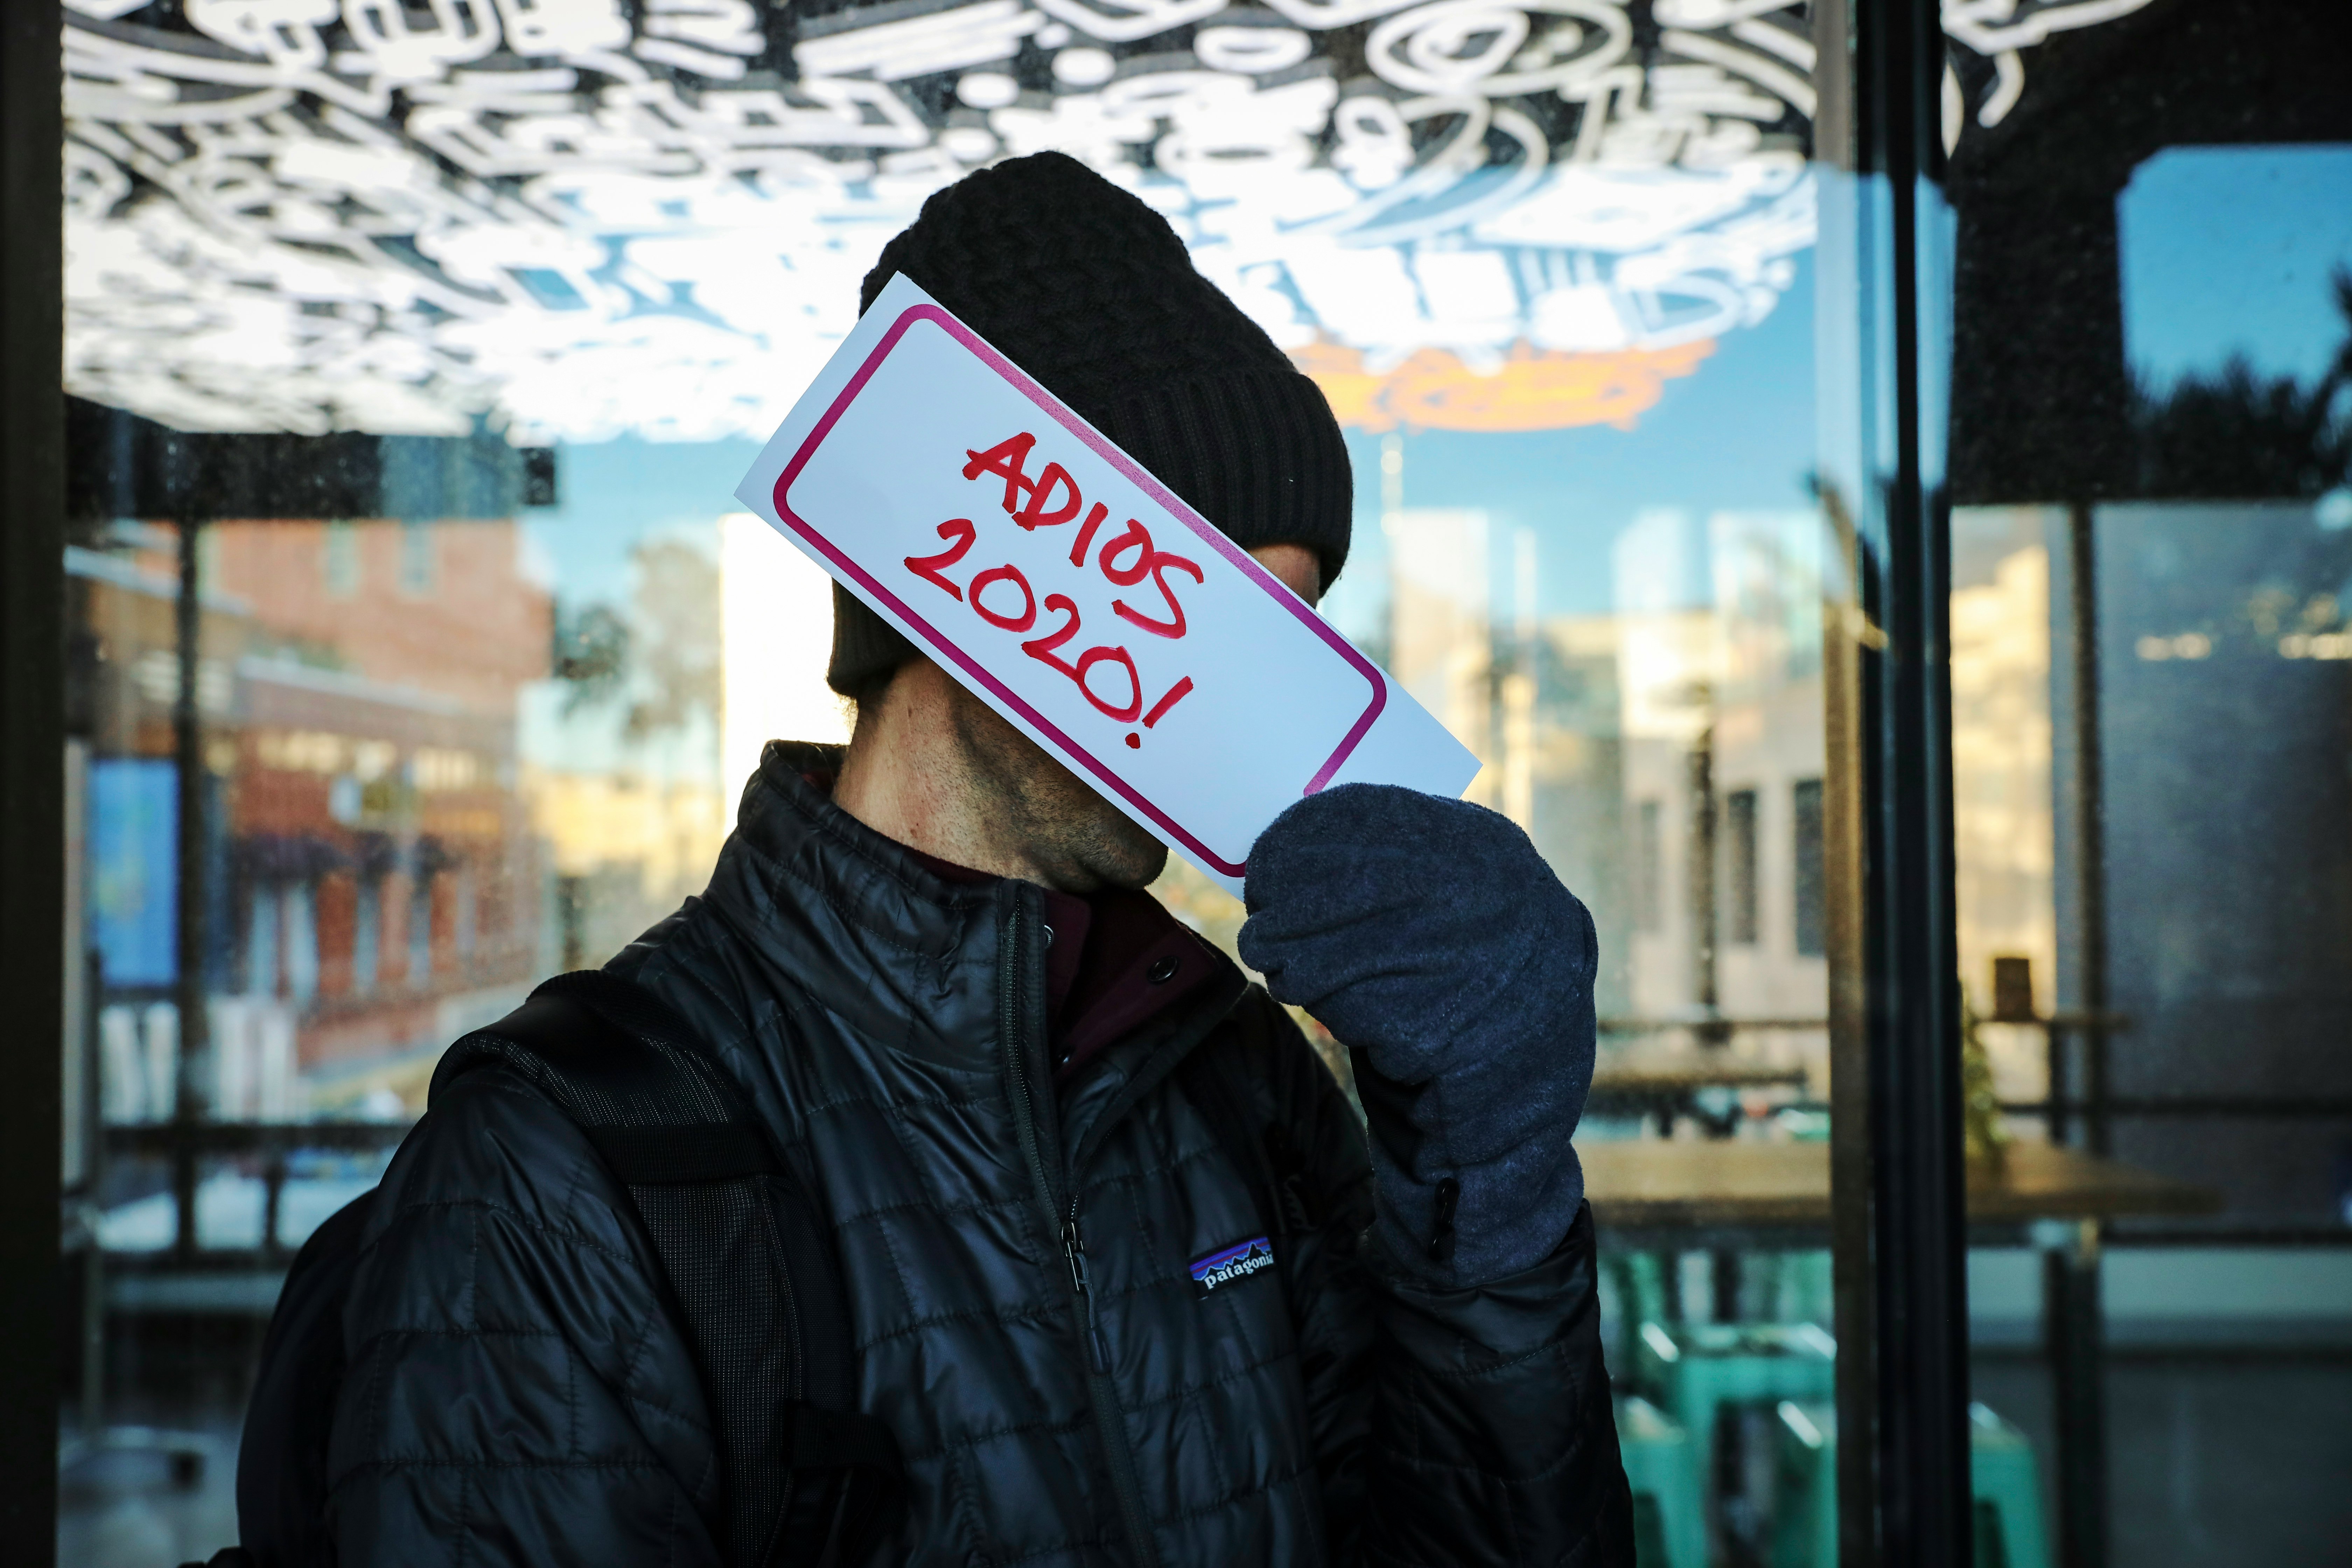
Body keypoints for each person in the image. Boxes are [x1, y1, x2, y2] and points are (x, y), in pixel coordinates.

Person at [326, 152, 1631, 1567]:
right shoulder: (566, 1172)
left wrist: (1488, 1201)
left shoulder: (1246, 1084)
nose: (1242, 711)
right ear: (970, 591)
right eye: (1209, 613)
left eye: (1293, 631)